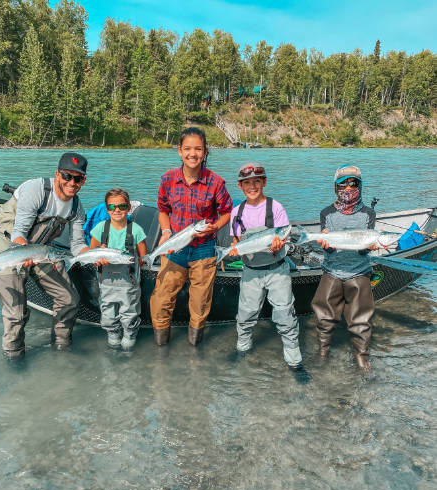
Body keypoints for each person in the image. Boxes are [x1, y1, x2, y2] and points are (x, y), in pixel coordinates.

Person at [0, 152, 90, 358]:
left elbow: (77, 245)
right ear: (57, 174)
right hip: (8, 246)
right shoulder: (36, 189)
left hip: (43, 251)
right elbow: (19, 233)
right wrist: (24, 256)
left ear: (83, 180)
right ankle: (14, 358)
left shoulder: (77, 208)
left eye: (77, 178)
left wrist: (94, 254)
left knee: (69, 299)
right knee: (16, 313)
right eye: (67, 176)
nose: (72, 182)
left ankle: (61, 347)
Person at [150, 127, 233, 346]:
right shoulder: (167, 179)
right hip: (175, 246)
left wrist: (214, 227)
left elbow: (226, 213)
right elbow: (163, 210)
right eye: (187, 148)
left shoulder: (216, 183)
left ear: (205, 152)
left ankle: (195, 352)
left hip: (204, 248)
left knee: (200, 303)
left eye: (198, 149)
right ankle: (161, 349)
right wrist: (166, 232)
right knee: (161, 299)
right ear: (180, 151)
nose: (192, 154)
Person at [228, 162, 305, 375]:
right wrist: (235, 249)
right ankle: (243, 347)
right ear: (240, 186)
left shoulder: (276, 207)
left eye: (256, 182)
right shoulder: (236, 212)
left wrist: (280, 242)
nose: (252, 186)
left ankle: (293, 357)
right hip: (250, 271)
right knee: (246, 313)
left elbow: (285, 234)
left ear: (264, 183)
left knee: (285, 313)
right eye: (247, 183)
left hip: (277, 269)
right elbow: (236, 241)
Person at [311, 165, 376, 372]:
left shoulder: (368, 213)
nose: (349, 188)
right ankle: (323, 352)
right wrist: (325, 245)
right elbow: (327, 249)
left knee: (361, 320)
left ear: (360, 185)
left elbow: (364, 251)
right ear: (335, 186)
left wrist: (370, 245)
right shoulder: (326, 213)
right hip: (332, 271)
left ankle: (361, 357)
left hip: (359, 272)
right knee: (323, 315)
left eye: (354, 183)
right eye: (344, 184)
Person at [89, 188, 147, 349]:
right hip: (106, 283)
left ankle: (130, 333)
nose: (117, 210)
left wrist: (135, 268)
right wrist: (98, 260)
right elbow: (92, 252)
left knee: (130, 311)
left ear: (128, 208)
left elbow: (143, 256)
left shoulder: (135, 229)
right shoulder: (100, 228)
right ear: (107, 209)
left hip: (129, 283)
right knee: (107, 310)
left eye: (121, 206)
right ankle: (112, 332)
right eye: (112, 207)